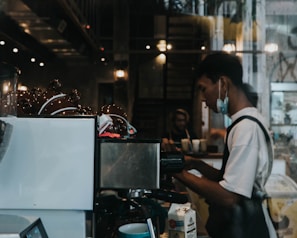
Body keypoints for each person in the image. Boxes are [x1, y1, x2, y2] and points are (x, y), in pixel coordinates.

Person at [172, 52, 277, 238]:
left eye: (203, 89)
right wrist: (196, 164)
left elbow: (229, 196)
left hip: (248, 230)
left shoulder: (247, 127)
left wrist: (179, 173)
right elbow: (230, 179)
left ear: (223, 84)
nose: (203, 100)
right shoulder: (241, 123)